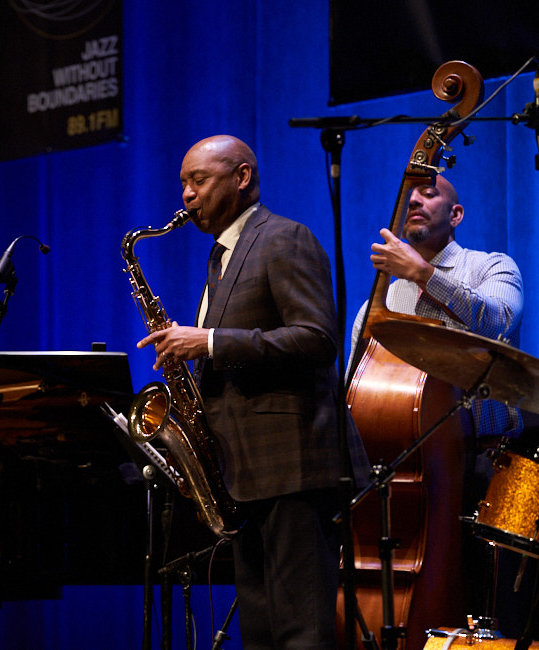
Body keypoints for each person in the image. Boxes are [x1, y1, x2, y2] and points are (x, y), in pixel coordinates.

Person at [137, 135, 369, 648]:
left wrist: (209, 341)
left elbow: (318, 338)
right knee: (261, 637)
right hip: (244, 474)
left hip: (293, 469)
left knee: (302, 635)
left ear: (242, 177)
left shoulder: (284, 238)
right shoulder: (220, 257)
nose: (188, 195)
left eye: (199, 180)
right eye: (184, 184)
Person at [347, 174, 526, 628]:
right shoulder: (379, 302)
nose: (414, 199)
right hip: (410, 473)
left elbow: (497, 321)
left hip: (487, 465)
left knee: (488, 598)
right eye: (410, 195)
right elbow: (352, 393)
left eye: (429, 193)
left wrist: (423, 275)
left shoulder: (492, 267)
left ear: (456, 214)